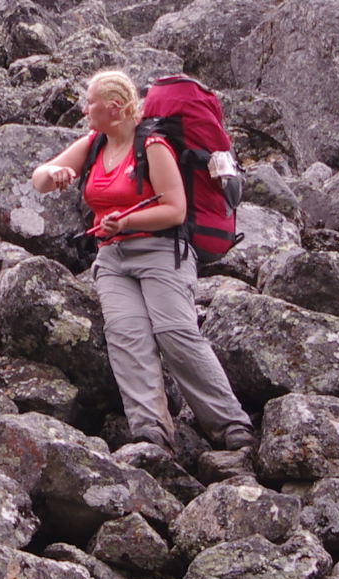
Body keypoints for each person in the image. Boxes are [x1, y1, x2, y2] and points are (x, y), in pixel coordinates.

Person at [30, 70, 254, 455]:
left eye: (91, 103)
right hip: (112, 259)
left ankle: (231, 425)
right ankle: (151, 433)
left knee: (175, 332)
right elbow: (39, 179)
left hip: (161, 251)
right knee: (126, 336)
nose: (84, 109)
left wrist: (127, 221)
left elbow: (175, 209)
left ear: (114, 108)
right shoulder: (94, 143)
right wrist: (55, 172)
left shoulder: (152, 145)